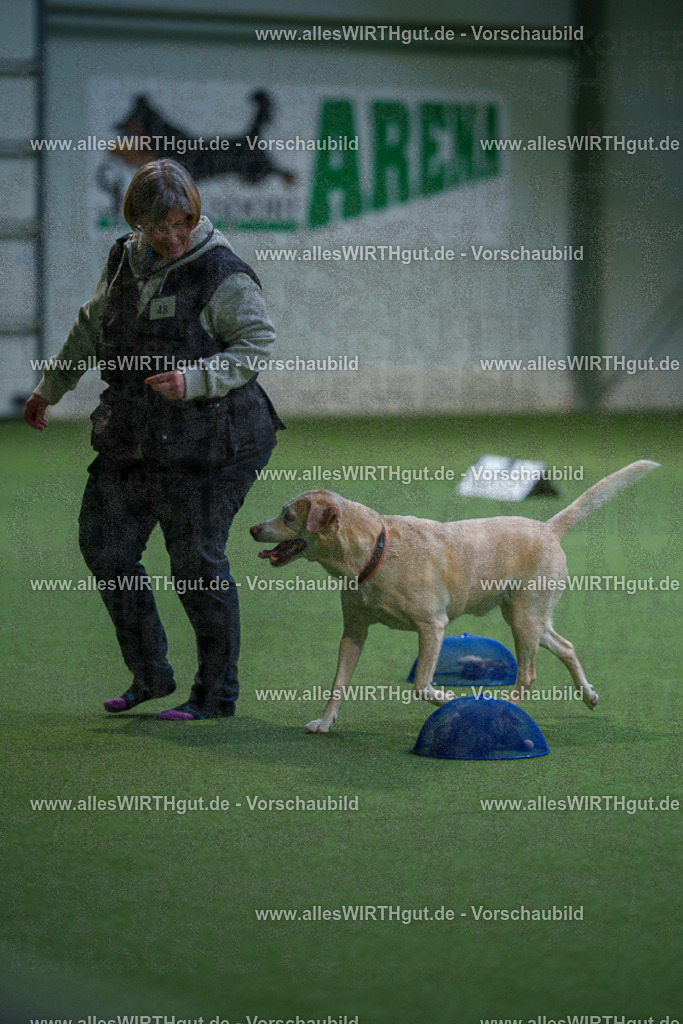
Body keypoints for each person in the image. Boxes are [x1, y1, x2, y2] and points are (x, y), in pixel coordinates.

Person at [24, 159, 284, 721]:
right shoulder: (124, 256)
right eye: (158, 226)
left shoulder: (222, 272)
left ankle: (215, 695)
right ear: (135, 221)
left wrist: (195, 378)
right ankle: (150, 675)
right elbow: (93, 322)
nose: (173, 236)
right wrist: (51, 386)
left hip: (218, 437)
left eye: (182, 222)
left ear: (195, 214)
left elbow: (256, 345)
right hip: (140, 432)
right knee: (106, 546)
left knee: (194, 561)